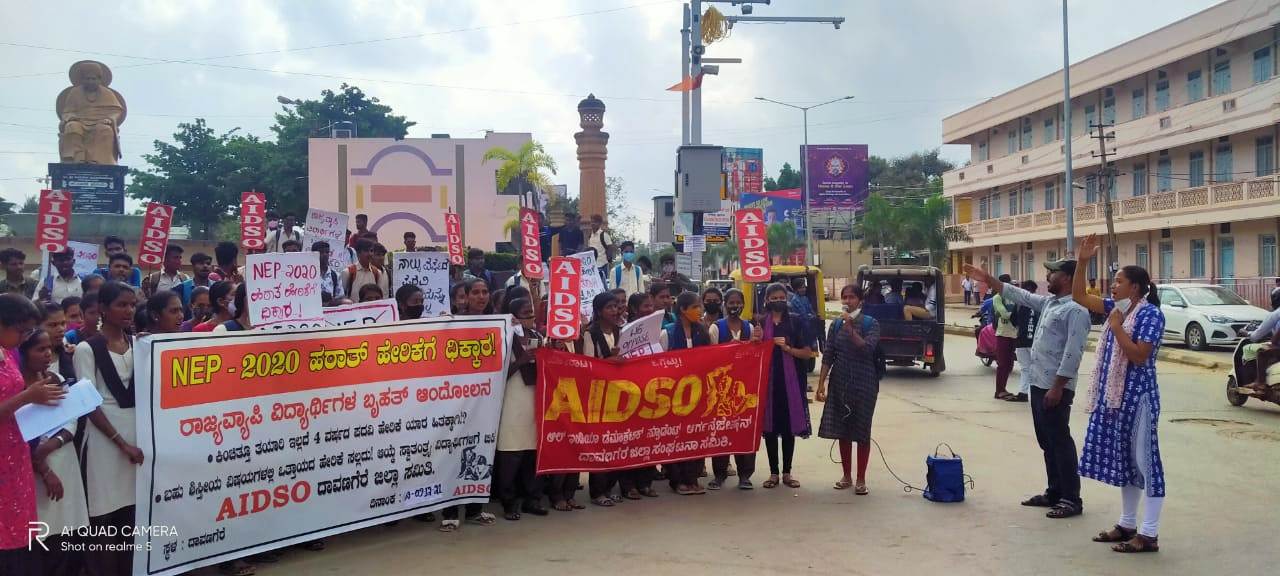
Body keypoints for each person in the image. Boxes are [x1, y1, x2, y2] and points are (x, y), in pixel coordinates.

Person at [964, 258, 1091, 520]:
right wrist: (988, 279)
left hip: (1055, 386)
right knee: (1047, 441)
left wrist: (1057, 387)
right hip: (1038, 383)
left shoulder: (1076, 310)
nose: (1048, 277)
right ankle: (1054, 492)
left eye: (1052, 273)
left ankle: (1071, 498)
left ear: (1067, 277)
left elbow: (1073, 353)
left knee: (1060, 441)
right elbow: (1018, 294)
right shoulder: (1050, 303)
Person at [1072, 235, 1167, 553]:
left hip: (1140, 399)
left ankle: (1149, 534)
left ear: (1135, 287)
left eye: (1119, 281)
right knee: (1127, 463)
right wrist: (1083, 261)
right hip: (1117, 398)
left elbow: (1139, 355)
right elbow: (1079, 296)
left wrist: (1116, 328)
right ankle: (1127, 524)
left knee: (1145, 462)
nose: (1112, 286)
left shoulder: (1150, 315)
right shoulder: (1117, 308)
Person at [76, 283, 144, 576]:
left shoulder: (139, 344)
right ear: (103, 308)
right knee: (104, 515)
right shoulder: (87, 349)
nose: (129, 310)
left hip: (137, 437)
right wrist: (121, 443)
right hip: (105, 442)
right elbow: (89, 404)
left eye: (132, 305)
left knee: (131, 514)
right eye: (121, 304)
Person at [0, 295, 64, 576]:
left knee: (21, 538)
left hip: (15, 457)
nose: (24, 338)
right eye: (22, 330)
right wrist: (27, 396)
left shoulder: (7, 352)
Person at [23, 327, 89, 576]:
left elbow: (71, 419)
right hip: (33, 472)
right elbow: (21, 435)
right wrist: (43, 466)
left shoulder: (56, 379)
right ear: (24, 353)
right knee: (42, 538)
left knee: (66, 536)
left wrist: (53, 444)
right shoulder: (17, 388)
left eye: (48, 348)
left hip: (64, 460)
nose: (47, 354)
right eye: (40, 349)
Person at [439, 278, 498, 532]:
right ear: (465, 296)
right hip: (456, 400)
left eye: (485, 292)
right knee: (454, 455)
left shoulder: (498, 323)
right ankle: (450, 512)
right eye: (475, 292)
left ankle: (475, 509)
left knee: (480, 454)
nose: (481, 296)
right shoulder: (452, 323)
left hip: (484, 401)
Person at [816, 284, 880, 495]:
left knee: (862, 431)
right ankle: (846, 475)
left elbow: (867, 348)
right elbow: (828, 354)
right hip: (840, 382)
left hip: (865, 382)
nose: (847, 301)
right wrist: (821, 383)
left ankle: (861, 479)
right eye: (844, 297)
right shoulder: (835, 325)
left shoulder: (871, 323)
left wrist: (851, 329)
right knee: (842, 431)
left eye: (852, 297)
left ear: (860, 301)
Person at [495, 297, 549, 520]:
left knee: (532, 452)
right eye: (526, 313)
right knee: (511, 452)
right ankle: (508, 501)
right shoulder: (505, 338)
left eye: (532, 312)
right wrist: (521, 361)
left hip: (533, 400)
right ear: (514, 316)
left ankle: (532, 498)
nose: (531, 317)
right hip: (512, 400)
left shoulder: (538, 337)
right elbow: (497, 374)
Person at [758, 283, 813, 490]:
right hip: (768, 383)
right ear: (767, 300)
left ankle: (787, 473)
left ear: (787, 298)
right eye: (774, 298)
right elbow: (752, 355)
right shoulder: (760, 322)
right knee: (770, 429)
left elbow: (807, 353)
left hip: (791, 383)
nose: (778, 301)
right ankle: (773, 473)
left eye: (781, 297)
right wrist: (756, 342)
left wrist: (787, 348)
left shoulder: (796, 321)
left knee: (789, 428)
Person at [656, 292, 712, 496]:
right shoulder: (667, 333)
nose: (700, 310)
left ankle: (693, 478)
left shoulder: (702, 332)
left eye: (700, 306)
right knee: (676, 438)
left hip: (697, 393)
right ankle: (677, 480)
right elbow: (658, 365)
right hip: (673, 395)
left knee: (695, 436)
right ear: (683, 309)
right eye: (696, 307)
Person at [581, 292, 634, 503]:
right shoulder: (590, 334)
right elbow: (587, 365)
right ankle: (597, 492)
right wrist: (609, 361)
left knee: (617, 444)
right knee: (601, 444)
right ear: (599, 311)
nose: (614, 310)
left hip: (621, 395)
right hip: (599, 396)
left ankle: (610, 487)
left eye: (616, 306)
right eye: (609, 307)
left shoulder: (622, 331)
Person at [707, 288, 757, 490]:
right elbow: (710, 357)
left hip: (744, 386)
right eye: (731, 303)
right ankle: (719, 474)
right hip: (721, 388)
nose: (735, 306)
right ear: (725, 305)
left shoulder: (750, 327)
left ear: (743, 304)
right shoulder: (715, 328)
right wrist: (728, 349)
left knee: (744, 430)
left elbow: (754, 355)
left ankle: (745, 475)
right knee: (721, 431)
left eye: (738, 303)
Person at [1008, 280, 1039, 403]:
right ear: (1034, 290)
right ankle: (1038, 395)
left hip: (1021, 340)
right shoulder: (1040, 303)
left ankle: (1023, 393)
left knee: (1025, 368)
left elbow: (1013, 320)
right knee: (1038, 368)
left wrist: (1021, 327)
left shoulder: (1019, 304)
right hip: (1036, 342)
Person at [992, 274, 1018, 400]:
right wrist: (1017, 316)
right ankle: (999, 391)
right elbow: (1004, 313)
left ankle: (1003, 389)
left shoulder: (1014, 297)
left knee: (1009, 364)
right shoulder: (997, 298)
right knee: (1002, 364)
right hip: (1003, 334)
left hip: (1014, 334)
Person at [40, 302, 76, 381]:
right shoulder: (26, 361)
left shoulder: (70, 354)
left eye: (63, 323)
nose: (61, 329)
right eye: (53, 325)